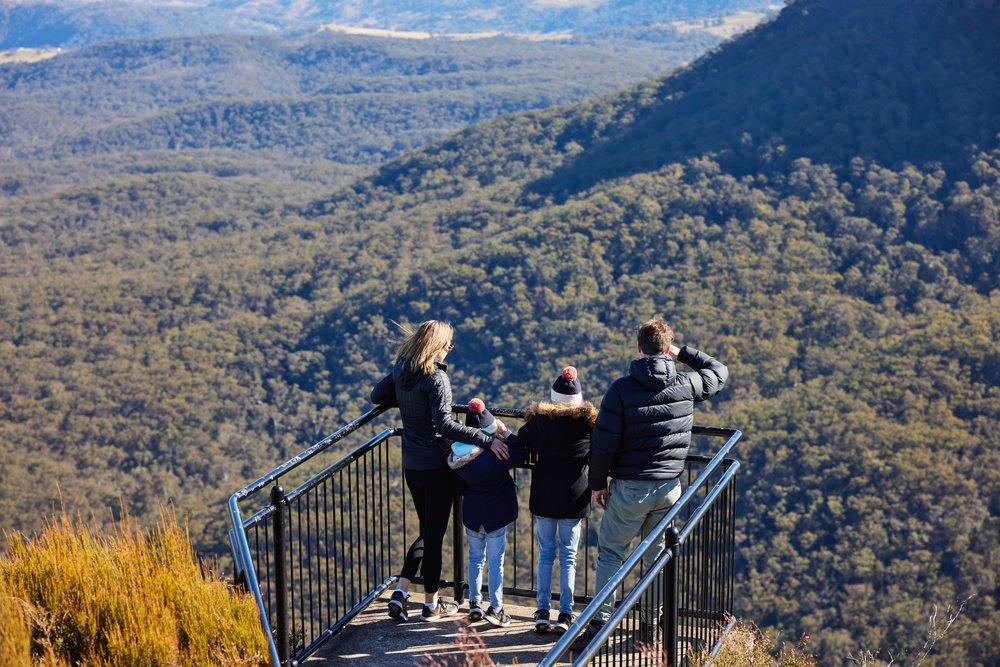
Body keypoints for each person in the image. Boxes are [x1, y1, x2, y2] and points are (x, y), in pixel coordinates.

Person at [572, 318, 728, 650]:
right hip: (670, 486)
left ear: (638, 348)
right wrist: (682, 352)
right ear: (665, 349)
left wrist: (598, 483)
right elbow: (719, 371)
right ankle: (650, 629)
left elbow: (604, 444)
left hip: (630, 488)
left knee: (612, 553)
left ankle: (599, 625)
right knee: (657, 557)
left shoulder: (621, 390)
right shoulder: (686, 384)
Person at [371, 320, 510, 622]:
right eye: (447, 343)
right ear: (435, 345)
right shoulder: (435, 379)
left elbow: (377, 395)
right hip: (435, 466)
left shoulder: (402, 370)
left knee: (428, 530)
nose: (450, 348)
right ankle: (431, 605)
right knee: (434, 535)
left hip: (412, 465)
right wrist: (486, 441)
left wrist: (407, 395)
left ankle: (401, 590)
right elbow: (445, 424)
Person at [515, 366, 596, 635]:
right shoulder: (587, 427)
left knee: (546, 555)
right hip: (574, 497)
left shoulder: (539, 424)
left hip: (545, 495)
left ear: (553, 398)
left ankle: (541, 611)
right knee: (569, 557)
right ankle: (565, 612)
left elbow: (520, 440)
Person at [448, 399, 526, 628]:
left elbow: (459, 487)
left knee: (475, 559)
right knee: (495, 562)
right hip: (496, 516)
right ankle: (496, 607)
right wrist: (505, 432)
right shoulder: (498, 454)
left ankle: (474, 603)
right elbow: (521, 450)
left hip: (473, 513)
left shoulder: (458, 460)